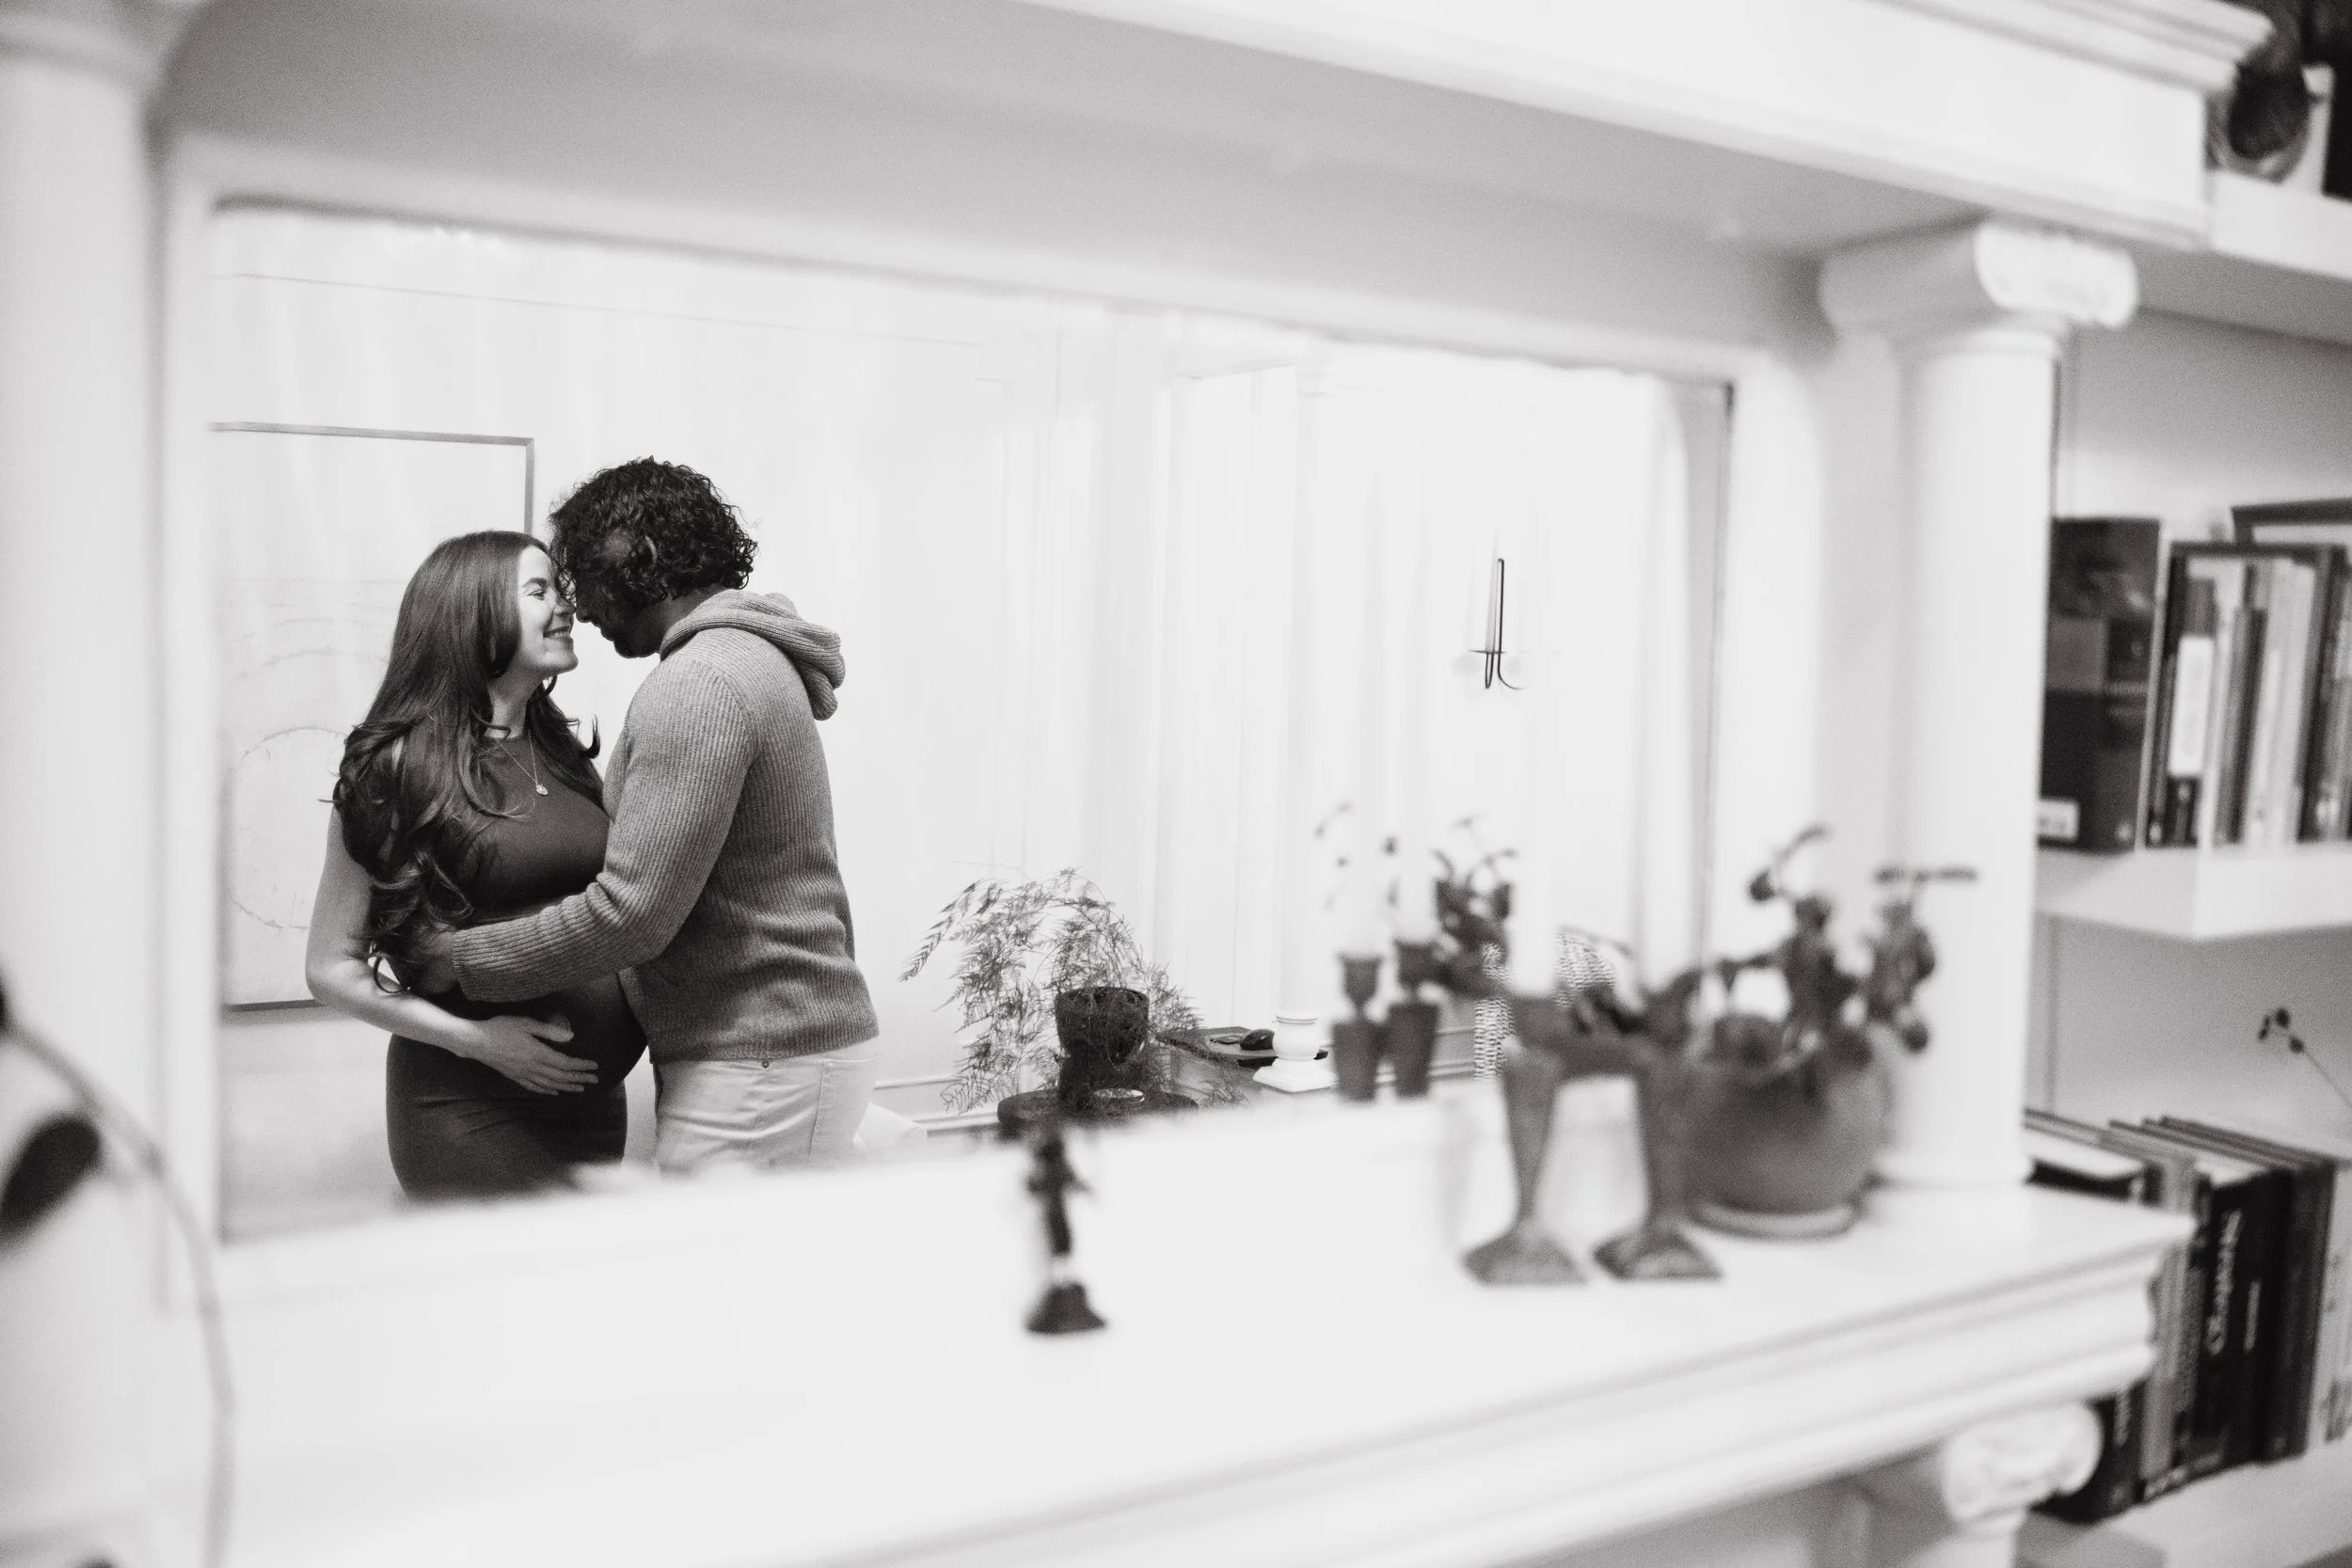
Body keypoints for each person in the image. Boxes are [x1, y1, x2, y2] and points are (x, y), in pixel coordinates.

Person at [418, 458, 881, 1174]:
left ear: (639, 557)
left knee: (715, 1283)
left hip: (759, 1061)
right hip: (778, 1053)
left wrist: (459, 961)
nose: (581, 608)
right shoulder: (741, 661)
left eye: (578, 581)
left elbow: (632, 914)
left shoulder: (698, 683)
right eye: (546, 588)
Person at [306, 531, 646, 1201]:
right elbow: (328, 968)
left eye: (561, 590)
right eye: (539, 590)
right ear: (473, 611)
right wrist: (479, 1041)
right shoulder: (399, 767)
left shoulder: (562, 751)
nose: (565, 607)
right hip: (468, 1106)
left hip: (590, 1106)